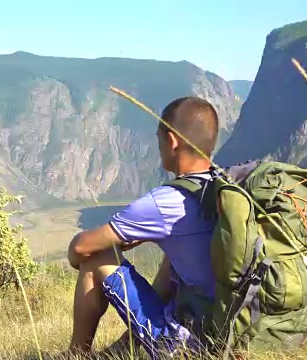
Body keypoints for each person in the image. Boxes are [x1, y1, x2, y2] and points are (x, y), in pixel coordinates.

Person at [66, 96, 220, 358]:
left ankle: (76, 355)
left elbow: (80, 248)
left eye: (158, 138)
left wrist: (115, 242)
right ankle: (118, 351)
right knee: (171, 266)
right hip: (226, 334)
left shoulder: (165, 203)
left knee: (97, 259)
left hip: (185, 348)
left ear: (171, 141)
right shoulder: (222, 188)